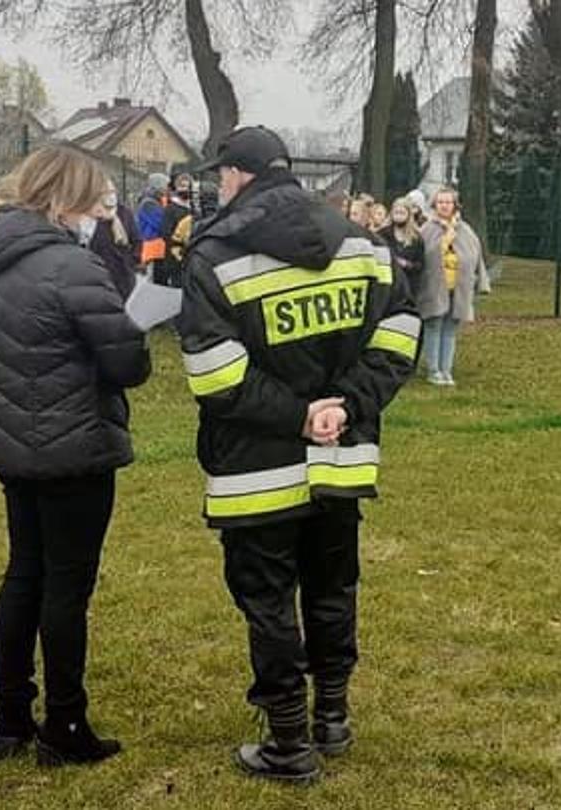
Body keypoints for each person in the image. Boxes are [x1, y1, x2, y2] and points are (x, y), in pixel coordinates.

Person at [177, 125, 416, 783]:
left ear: (238, 176)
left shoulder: (215, 254)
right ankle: (331, 718)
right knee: (333, 587)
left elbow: (215, 374)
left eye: (219, 175)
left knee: (269, 600)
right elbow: (399, 330)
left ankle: (288, 742)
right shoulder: (361, 241)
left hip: (257, 468)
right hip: (343, 456)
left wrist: (297, 414)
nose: (216, 185)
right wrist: (346, 405)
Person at [0, 143, 152, 768]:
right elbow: (127, 362)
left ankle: (10, 716)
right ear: (67, 198)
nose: (101, 210)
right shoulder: (70, 266)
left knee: (24, 574)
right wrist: (138, 327)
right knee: (67, 589)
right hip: (76, 445)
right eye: (94, 197)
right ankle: (65, 723)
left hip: (14, 439)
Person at [418, 188, 486, 385]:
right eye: (440, 202)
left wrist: (479, 280)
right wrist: (444, 242)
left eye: (448, 202)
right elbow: (424, 254)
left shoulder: (465, 230)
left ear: (455, 205)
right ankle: (433, 370)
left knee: (450, 328)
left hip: (458, 287)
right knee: (434, 325)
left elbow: (475, 254)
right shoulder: (427, 229)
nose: (444, 206)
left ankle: (446, 370)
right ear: (434, 205)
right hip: (434, 287)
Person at [85, 186, 141, 297]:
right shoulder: (91, 212)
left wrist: (132, 261)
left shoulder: (124, 212)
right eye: (106, 191)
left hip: (124, 272)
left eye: (112, 191)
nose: (110, 195)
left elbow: (136, 240)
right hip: (99, 272)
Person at [379, 197, 426, 298]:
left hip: (407, 286)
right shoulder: (382, 234)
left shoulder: (416, 239)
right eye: (396, 212)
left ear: (408, 215)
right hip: (386, 285)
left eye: (402, 213)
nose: (399, 216)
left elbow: (420, 265)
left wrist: (407, 264)